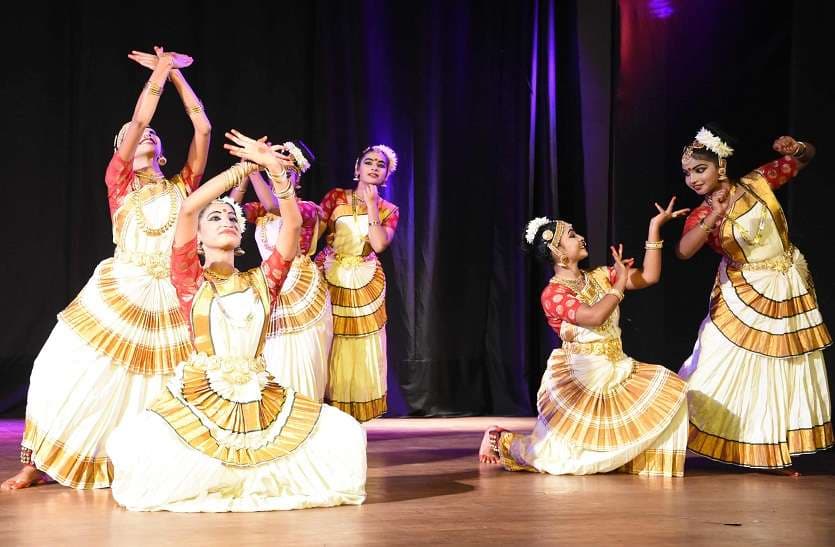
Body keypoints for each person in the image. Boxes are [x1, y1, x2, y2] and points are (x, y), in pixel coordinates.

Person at [106, 130, 367, 512]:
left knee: (344, 436)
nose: (226, 219)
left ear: (242, 236)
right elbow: (189, 208)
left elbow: (291, 227)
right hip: (203, 396)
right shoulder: (188, 278)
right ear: (196, 238)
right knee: (140, 450)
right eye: (216, 216)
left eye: (231, 215)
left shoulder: (264, 280)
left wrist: (276, 171)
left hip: (262, 399)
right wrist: (244, 167)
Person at [2, 47, 210, 490]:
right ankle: (39, 461)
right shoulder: (119, 185)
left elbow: (204, 127)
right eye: (135, 137)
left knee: (153, 385)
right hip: (122, 286)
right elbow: (136, 122)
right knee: (65, 369)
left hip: (172, 294)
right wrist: (156, 75)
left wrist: (175, 75)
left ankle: (142, 464)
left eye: (155, 134)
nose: (145, 135)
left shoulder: (182, 186)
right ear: (123, 149)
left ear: (165, 153)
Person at [479, 199, 691, 477]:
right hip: (582, 378)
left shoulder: (601, 276)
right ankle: (499, 439)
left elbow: (649, 276)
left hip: (617, 367)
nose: (580, 237)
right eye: (571, 235)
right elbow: (593, 317)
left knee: (672, 393)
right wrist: (618, 285)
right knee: (560, 462)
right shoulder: (553, 294)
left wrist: (654, 228)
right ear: (557, 251)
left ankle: (629, 460)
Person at [676, 125, 832, 473]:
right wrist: (715, 215)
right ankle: (678, 434)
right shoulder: (703, 214)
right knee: (715, 361)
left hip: (785, 285)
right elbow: (684, 251)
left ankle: (771, 450)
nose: (692, 179)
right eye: (687, 173)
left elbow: (802, 159)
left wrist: (798, 146)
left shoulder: (757, 182)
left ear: (721, 167)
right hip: (741, 291)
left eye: (699, 170)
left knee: (779, 368)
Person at [229, 141, 331, 400]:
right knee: (271, 349)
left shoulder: (308, 208)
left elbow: (277, 207)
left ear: (296, 181)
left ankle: (304, 407)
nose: (277, 174)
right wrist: (244, 172)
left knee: (300, 350)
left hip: (301, 285)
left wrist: (255, 171)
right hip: (270, 281)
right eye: (273, 169)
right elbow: (229, 210)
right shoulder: (259, 209)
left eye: (286, 171)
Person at [316, 145, 400, 421]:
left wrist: (373, 204)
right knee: (331, 337)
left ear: (386, 174)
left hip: (364, 279)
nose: (374, 167)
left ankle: (355, 415)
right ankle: (324, 407)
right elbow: (313, 233)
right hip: (331, 274)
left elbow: (378, 243)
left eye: (381, 164)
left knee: (362, 344)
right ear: (357, 168)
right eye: (369, 162)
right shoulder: (336, 197)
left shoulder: (389, 209)